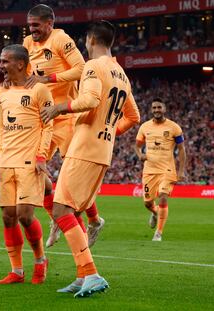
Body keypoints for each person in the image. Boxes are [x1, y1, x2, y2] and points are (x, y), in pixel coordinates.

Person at [41, 20, 140, 297]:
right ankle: (82, 275)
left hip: (84, 148)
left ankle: (92, 273)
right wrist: (108, 132)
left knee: (60, 210)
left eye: (85, 38)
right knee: (70, 210)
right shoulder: (121, 73)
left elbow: (91, 100)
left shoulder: (93, 66)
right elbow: (134, 117)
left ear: (92, 38)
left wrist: (60, 108)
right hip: (102, 150)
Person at [23, 4, 104, 248]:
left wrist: (48, 79)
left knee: (73, 176)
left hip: (67, 115)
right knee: (34, 169)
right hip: (42, 116)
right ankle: (56, 220)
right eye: (30, 25)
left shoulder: (61, 39)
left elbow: (82, 69)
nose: (32, 30)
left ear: (50, 23)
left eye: (36, 25)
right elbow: (27, 74)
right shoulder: (27, 43)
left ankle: (94, 220)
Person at [0, 44, 53, 285]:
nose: (0, 66)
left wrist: (41, 156)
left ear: (19, 64)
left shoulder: (40, 90)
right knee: (8, 217)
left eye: (5, 61)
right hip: (7, 162)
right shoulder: (0, 92)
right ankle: (16, 270)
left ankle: (40, 260)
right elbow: (1, 128)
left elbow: (48, 126)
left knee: (25, 216)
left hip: (29, 162)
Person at [134, 99, 186, 241]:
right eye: (154, 108)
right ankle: (155, 212)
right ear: (152, 110)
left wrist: (181, 171)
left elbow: (181, 150)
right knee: (148, 203)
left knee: (163, 195)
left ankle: (158, 233)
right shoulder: (145, 127)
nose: (156, 110)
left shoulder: (174, 127)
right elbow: (137, 146)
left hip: (167, 169)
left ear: (164, 109)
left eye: (159, 107)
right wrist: (140, 155)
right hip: (149, 170)